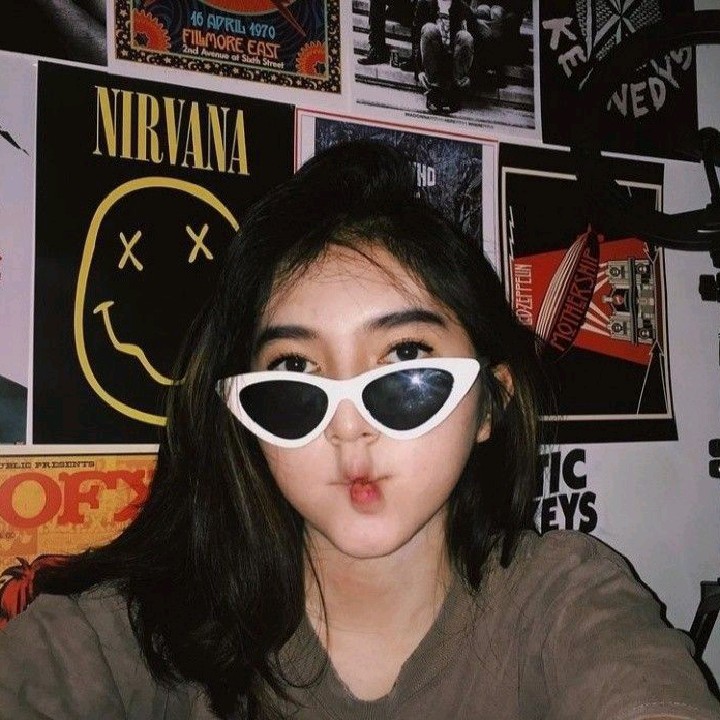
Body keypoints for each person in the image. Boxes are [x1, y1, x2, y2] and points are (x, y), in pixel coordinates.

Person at [0, 140, 719, 720]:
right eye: (294, 368)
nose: (349, 427)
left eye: (404, 358)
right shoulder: (124, 634)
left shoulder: (564, 599)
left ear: (489, 406)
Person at [412, 0, 481, 113]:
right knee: (429, 29)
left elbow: (476, 45)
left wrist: (471, 76)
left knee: (466, 36)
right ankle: (434, 91)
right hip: (433, 60)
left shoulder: (463, 8)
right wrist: (419, 70)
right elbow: (416, 39)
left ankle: (455, 91)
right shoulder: (425, 3)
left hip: (454, 63)